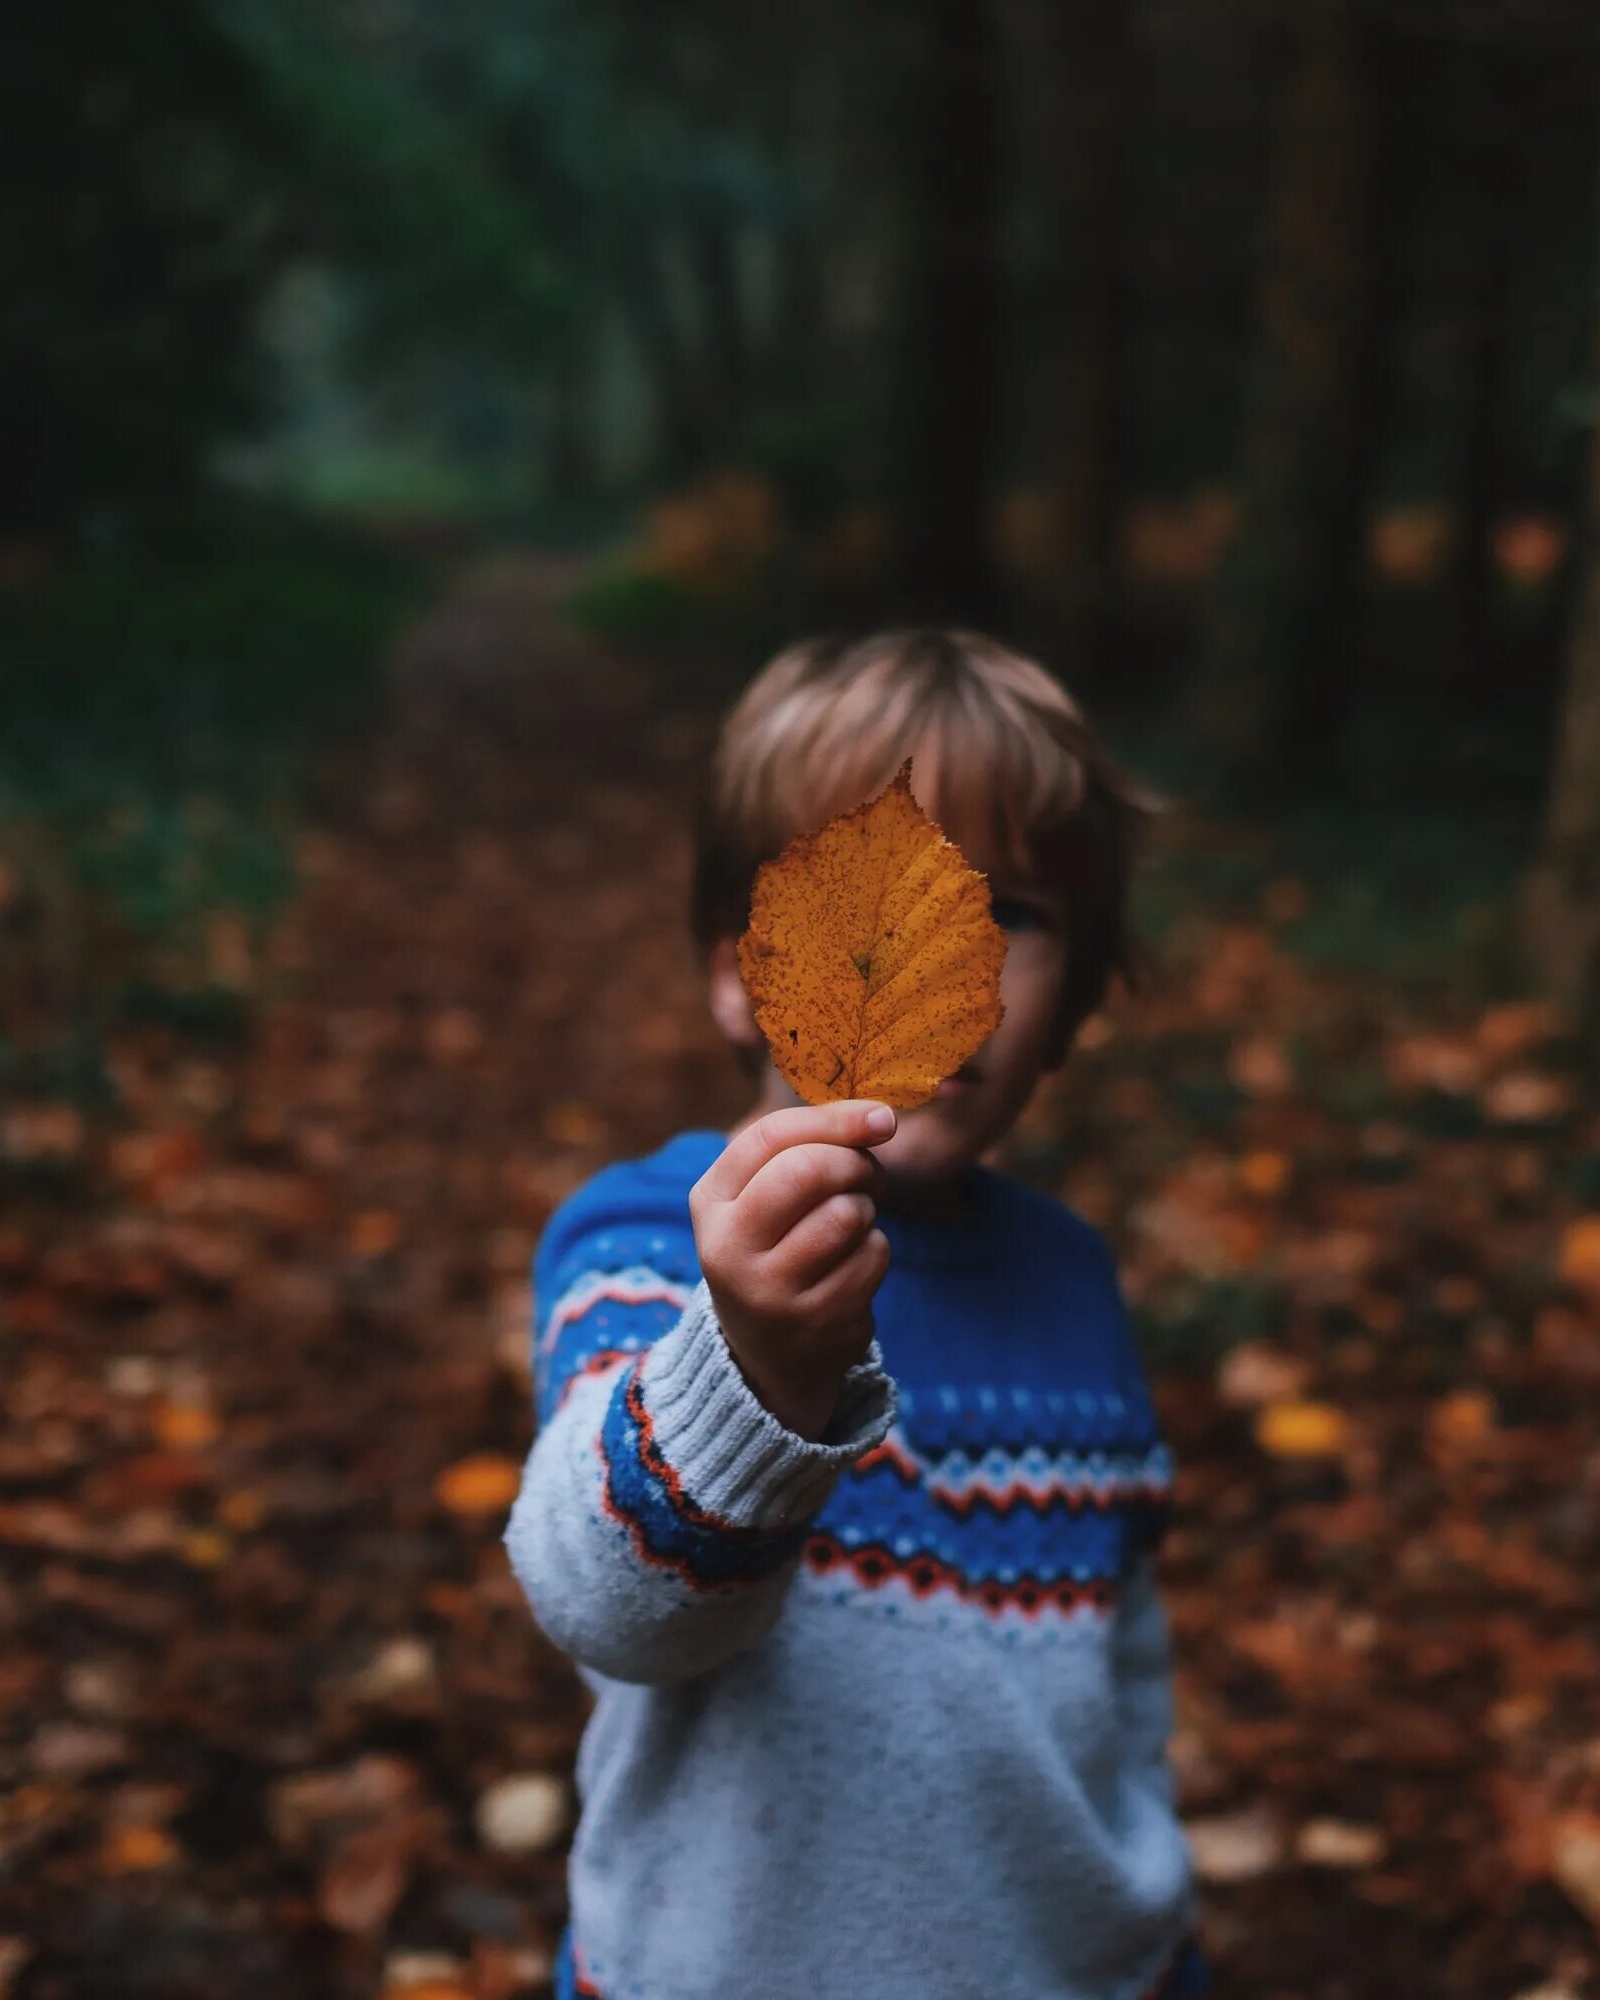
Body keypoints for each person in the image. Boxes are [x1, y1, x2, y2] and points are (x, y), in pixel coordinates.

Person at [506, 629, 1199, 1999]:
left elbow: (1122, 1685)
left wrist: (1148, 1930)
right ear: (737, 969)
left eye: (1013, 914)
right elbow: (612, 1607)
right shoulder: (652, 1246)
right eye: (860, 900)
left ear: (1073, 1006)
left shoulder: (1073, 1281)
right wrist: (753, 1367)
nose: (947, 960)